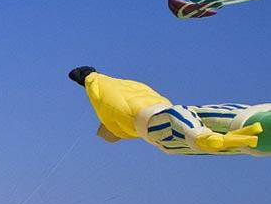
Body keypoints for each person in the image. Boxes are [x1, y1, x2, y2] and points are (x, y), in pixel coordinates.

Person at [68, 66, 269, 156]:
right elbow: (172, 116)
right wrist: (198, 135)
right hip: (164, 124)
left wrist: (199, 136)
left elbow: (173, 116)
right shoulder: (130, 109)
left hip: (167, 129)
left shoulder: (130, 110)